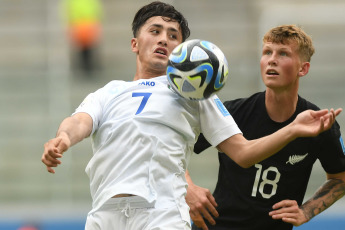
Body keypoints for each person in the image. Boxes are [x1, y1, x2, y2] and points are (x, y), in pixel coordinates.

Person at [41, 3, 340, 229]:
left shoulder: (196, 94)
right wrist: (63, 138)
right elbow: (80, 121)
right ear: (135, 43)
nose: (163, 39)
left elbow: (244, 153)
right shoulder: (109, 92)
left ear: (181, 51)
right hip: (105, 215)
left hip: (161, 214)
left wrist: (293, 130)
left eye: (173, 36)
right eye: (155, 31)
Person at [186, 25, 345, 230]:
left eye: (283, 53)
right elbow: (174, 147)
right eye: (267, 52)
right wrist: (188, 188)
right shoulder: (232, 112)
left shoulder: (319, 124)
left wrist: (307, 211)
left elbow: (340, 177)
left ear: (302, 69)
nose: (272, 59)